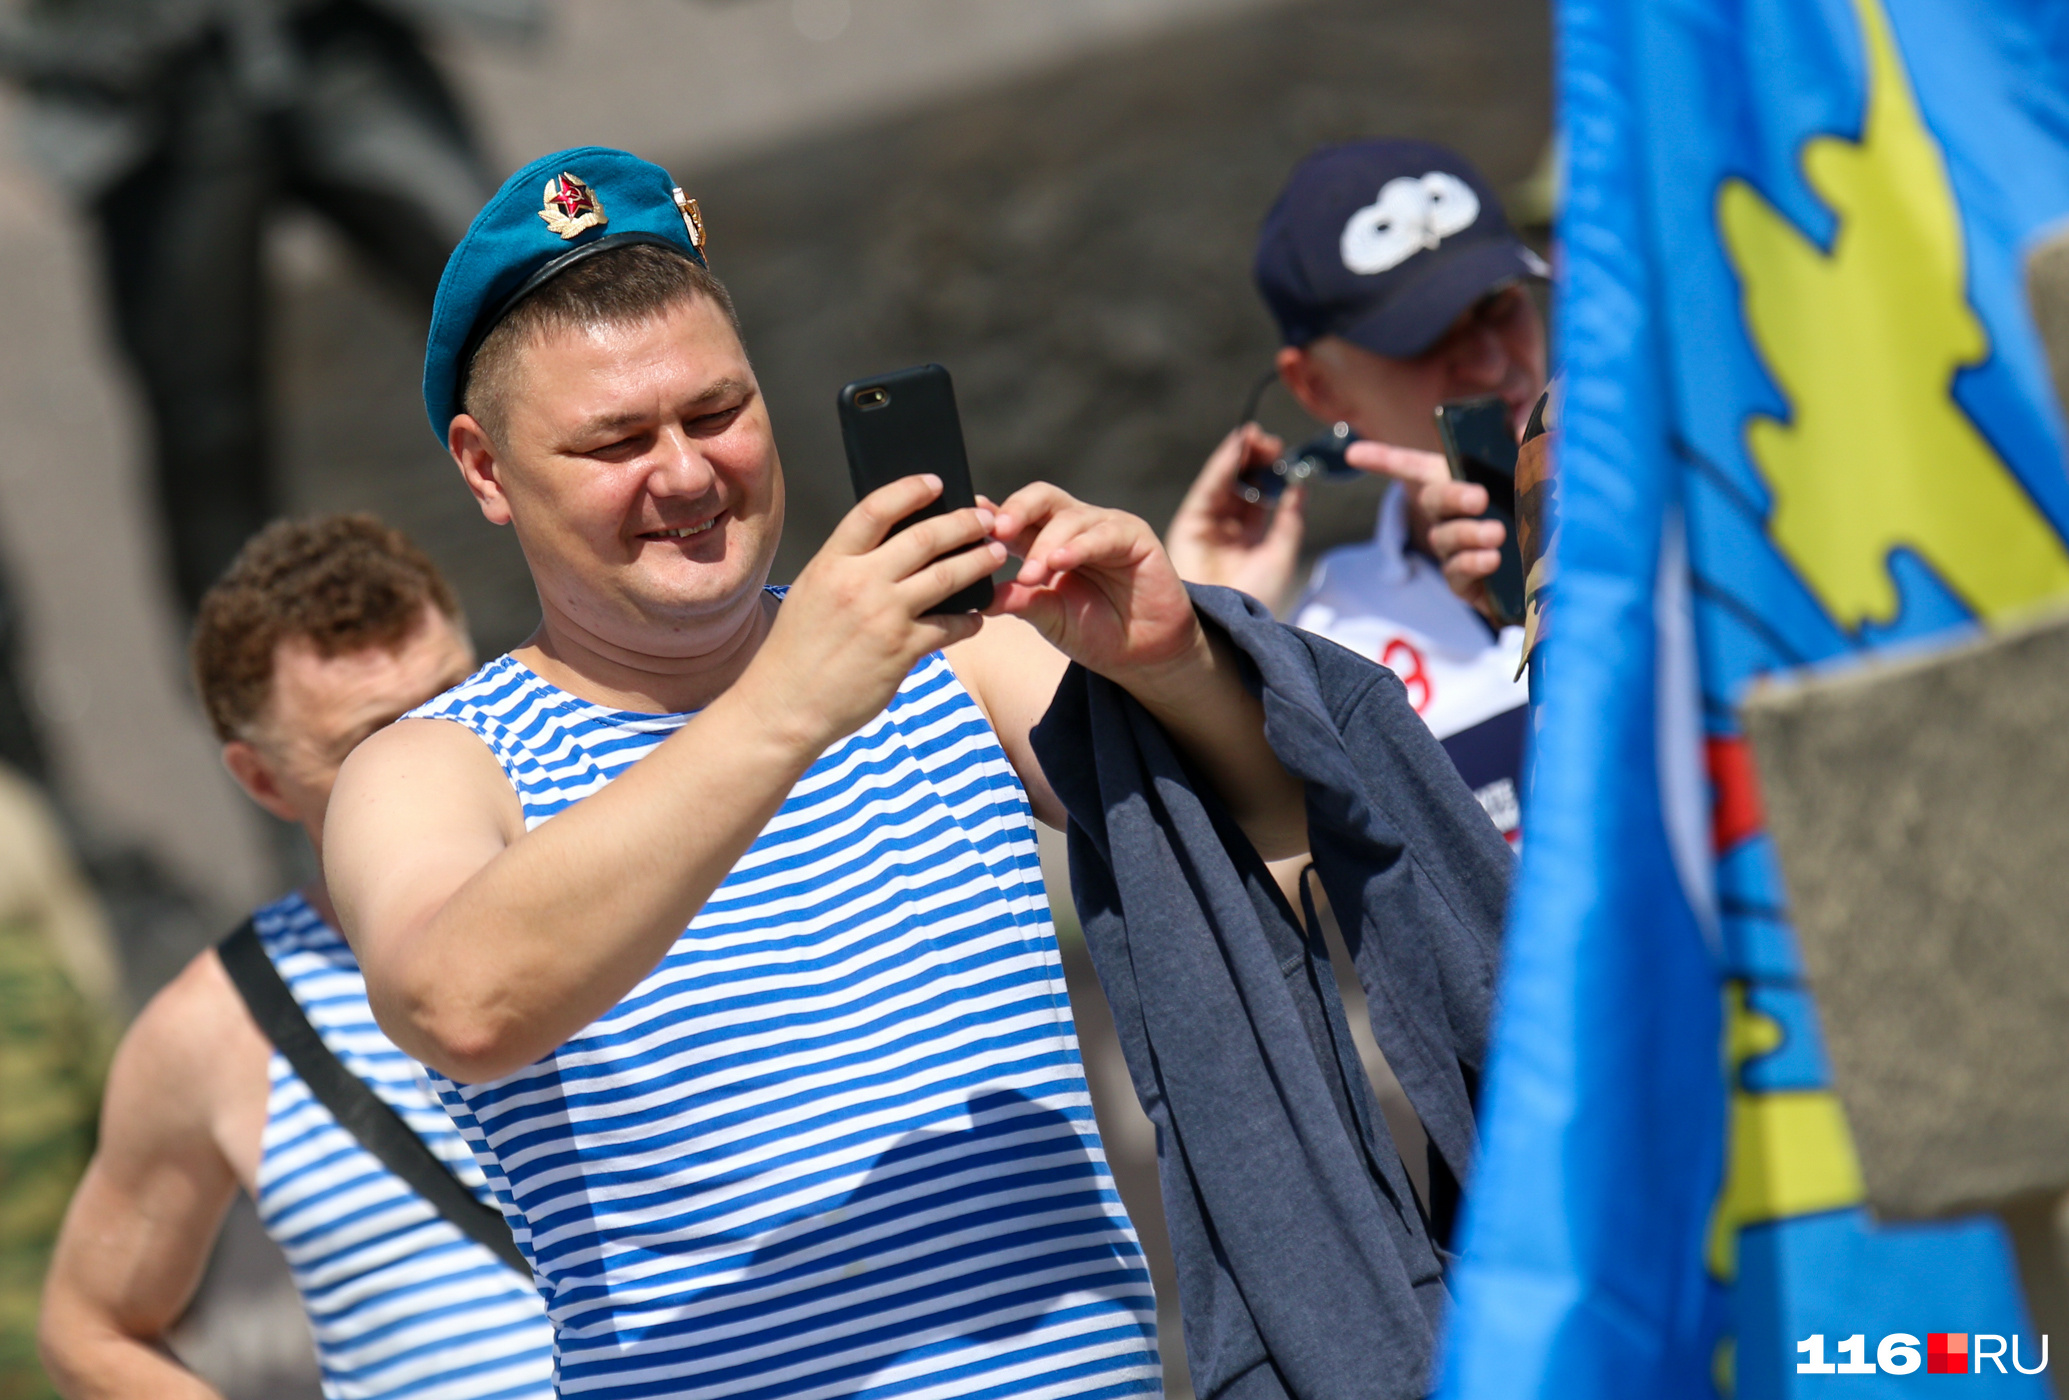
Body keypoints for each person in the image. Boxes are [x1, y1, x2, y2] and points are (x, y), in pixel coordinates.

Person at [323, 146, 1325, 1398]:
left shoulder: (957, 661)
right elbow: (461, 1003)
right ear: (485, 468)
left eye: (715, 412)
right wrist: (787, 702)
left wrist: (1174, 663)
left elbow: (1284, 848)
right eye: (614, 441)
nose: (685, 474)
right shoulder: (435, 767)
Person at [37, 515, 554, 1399]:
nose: (427, 759)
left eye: (454, 704)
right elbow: (90, 1330)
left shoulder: (636, 871)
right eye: (368, 743)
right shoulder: (220, 1026)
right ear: (261, 780)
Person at [0, 0, 518, 610]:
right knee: (206, 422)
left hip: (339, 41)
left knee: (522, 303)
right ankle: (246, 671)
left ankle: (632, 579)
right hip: (150, 80)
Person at [1165, 139, 1547, 842]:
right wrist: (1204, 642)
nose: (1493, 361)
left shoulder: (1690, 495)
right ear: (1315, 386)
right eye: (1426, 334)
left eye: (1500, 306)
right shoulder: (1329, 646)